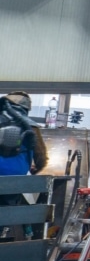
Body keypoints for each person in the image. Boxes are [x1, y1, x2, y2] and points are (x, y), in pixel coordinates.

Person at [0, 92, 48, 241]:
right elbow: (41, 158)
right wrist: (35, 171)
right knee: (6, 216)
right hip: (15, 182)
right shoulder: (32, 127)